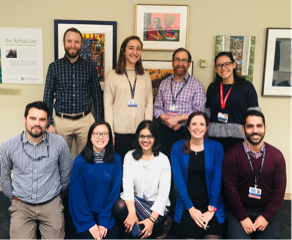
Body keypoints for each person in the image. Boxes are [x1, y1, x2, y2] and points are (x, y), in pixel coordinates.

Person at [0, 101, 73, 239]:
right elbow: (3, 176)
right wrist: (14, 198)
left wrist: (56, 196)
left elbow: (66, 172)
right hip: (21, 205)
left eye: (42, 119)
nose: (37, 123)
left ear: (47, 122)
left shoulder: (59, 143)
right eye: (33, 118)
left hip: (51, 203)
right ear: (25, 119)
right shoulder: (9, 146)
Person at [222, 110, 286, 240]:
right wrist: (243, 217)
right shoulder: (232, 155)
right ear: (243, 129)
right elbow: (230, 188)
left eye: (259, 126)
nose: (255, 130)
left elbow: (279, 190)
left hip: (265, 209)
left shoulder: (277, 156)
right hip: (240, 209)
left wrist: (266, 216)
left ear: (265, 128)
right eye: (250, 126)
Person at [43, 27, 103, 155]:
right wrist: (48, 123)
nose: (73, 45)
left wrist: (99, 124)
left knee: (86, 160)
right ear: (63, 42)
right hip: (61, 122)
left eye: (76, 42)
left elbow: (98, 98)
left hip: (85, 121)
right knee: (60, 160)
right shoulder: (54, 67)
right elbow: (47, 97)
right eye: (69, 41)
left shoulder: (90, 68)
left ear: (82, 44)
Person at [171, 112, 225, 240]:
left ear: (206, 127)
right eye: (194, 124)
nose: (197, 127)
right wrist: (191, 209)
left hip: (211, 205)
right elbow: (179, 182)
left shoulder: (216, 148)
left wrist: (211, 210)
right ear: (188, 127)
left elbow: (217, 181)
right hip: (187, 205)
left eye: (201, 124)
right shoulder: (177, 147)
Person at [113, 120, 171, 239]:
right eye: (142, 136)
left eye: (149, 136)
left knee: (141, 231)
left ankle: (163, 224)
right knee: (119, 207)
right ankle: (131, 231)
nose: (145, 140)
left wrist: (151, 220)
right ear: (137, 138)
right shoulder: (129, 156)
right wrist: (132, 213)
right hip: (135, 201)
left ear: (155, 138)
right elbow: (127, 187)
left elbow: (163, 194)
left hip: (155, 205)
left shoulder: (163, 160)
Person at [69, 121, 122, 240]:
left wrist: (103, 221)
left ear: (109, 138)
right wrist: (90, 223)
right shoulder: (80, 161)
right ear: (90, 137)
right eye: (97, 134)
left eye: (104, 134)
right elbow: (77, 195)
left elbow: (114, 193)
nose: (100, 137)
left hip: (107, 214)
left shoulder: (116, 159)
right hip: (84, 215)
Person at [104, 36, 153, 162]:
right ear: (123, 51)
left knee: (140, 168)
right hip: (119, 132)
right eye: (131, 48)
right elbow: (108, 106)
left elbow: (149, 103)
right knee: (122, 167)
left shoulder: (145, 76)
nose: (135, 52)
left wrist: (147, 129)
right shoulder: (112, 75)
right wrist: (110, 131)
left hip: (140, 132)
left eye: (138, 49)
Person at [153, 48, 206, 160]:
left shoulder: (197, 85)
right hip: (164, 132)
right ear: (172, 62)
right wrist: (169, 120)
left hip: (186, 132)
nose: (180, 63)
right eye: (177, 60)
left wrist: (176, 119)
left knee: (184, 163)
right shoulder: (164, 83)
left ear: (189, 64)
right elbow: (157, 108)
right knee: (164, 163)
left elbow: (199, 112)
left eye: (184, 60)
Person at [206, 51, 259, 153]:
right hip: (214, 137)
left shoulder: (247, 86)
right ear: (216, 68)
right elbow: (207, 113)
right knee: (216, 168)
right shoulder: (212, 88)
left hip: (238, 138)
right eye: (219, 65)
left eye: (227, 64)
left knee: (235, 167)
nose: (223, 68)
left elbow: (254, 114)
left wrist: (252, 134)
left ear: (233, 65)